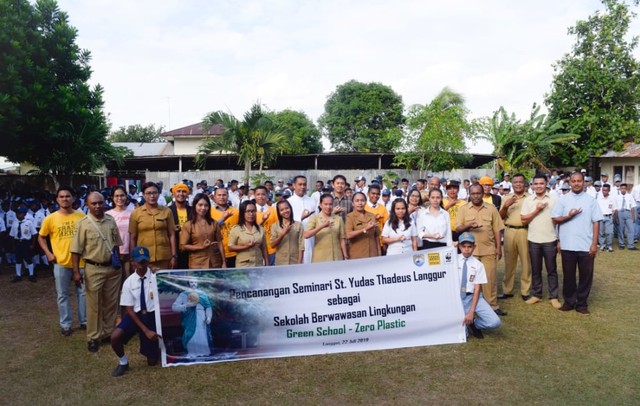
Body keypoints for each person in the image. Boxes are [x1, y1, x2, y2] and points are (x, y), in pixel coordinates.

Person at [71, 192, 123, 352]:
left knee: (111, 303)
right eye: (94, 203)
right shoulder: (83, 224)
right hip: (93, 268)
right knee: (93, 305)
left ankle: (107, 332)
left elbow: (116, 244)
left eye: (100, 203)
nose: (98, 206)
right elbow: (75, 251)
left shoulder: (110, 220)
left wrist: (118, 262)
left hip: (112, 269)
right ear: (87, 204)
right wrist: (76, 272)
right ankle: (93, 337)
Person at [551, 171, 603, 315]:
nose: (576, 183)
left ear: (584, 182)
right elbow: (555, 219)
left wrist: (594, 244)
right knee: (569, 276)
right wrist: (569, 217)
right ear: (569, 183)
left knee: (586, 276)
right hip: (568, 244)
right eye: (573, 181)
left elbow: (596, 222)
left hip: (586, 246)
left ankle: (581, 304)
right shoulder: (563, 200)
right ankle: (569, 302)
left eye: (579, 181)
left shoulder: (591, 200)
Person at [38, 187, 87, 336]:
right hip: (61, 263)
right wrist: (48, 253)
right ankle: (66, 324)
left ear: (73, 199)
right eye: (61, 196)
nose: (65, 199)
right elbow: (41, 237)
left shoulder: (81, 216)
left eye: (68, 196)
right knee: (62, 295)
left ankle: (84, 321)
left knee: (83, 293)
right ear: (57, 199)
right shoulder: (50, 218)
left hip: (81, 263)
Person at [455, 184, 506, 316]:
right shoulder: (463, 209)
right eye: (473, 193)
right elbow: (458, 228)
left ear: (483, 193)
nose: (476, 196)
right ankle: (470, 307)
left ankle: (492, 307)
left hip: (488, 249)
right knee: (469, 281)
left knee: (490, 280)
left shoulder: (491, 209)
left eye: (478, 193)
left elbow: (497, 230)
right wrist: (468, 226)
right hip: (469, 252)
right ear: (469, 194)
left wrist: (498, 248)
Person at [110, 246, 160, 377]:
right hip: (136, 315)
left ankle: (157, 348)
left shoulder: (156, 276)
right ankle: (123, 362)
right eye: (139, 261)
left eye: (144, 261)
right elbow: (129, 310)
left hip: (151, 315)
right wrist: (145, 331)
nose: (142, 265)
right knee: (115, 336)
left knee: (152, 361)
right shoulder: (129, 282)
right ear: (132, 261)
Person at [520, 173, 561, 308]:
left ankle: (553, 296)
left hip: (550, 239)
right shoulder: (528, 200)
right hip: (534, 240)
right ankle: (537, 294)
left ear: (546, 184)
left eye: (541, 183)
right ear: (532, 185)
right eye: (536, 183)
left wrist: (559, 240)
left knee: (552, 270)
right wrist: (536, 210)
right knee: (536, 269)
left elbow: (559, 221)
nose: (538, 186)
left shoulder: (554, 199)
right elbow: (524, 219)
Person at [458, 232, 501, 339]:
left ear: (474, 247)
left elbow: (477, 289)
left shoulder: (478, 265)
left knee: (494, 322)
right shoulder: (453, 260)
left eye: (469, 246)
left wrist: (471, 312)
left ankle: (474, 324)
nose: (466, 249)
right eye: (464, 246)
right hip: (458, 298)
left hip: (473, 297)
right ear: (459, 246)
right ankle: (465, 325)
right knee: (460, 331)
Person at [129, 182, 178, 270]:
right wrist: (133, 258)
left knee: (162, 283)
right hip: (143, 258)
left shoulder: (167, 211)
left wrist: (174, 256)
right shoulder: (136, 213)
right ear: (143, 195)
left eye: (155, 193)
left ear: (159, 194)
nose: (152, 196)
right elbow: (132, 237)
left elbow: (172, 234)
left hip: (164, 257)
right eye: (148, 193)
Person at [498, 173, 531, 301]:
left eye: (520, 182)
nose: (518, 184)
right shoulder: (506, 197)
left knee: (526, 262)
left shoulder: (530, 198)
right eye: (516, 182)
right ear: (512, 184)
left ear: (524, 183)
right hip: (509, 231)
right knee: (509, 262)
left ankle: (525, 291)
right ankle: (507, 290)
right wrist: (506, 205)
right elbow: (500, 216)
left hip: (524, 231)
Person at [180, 193, 226, 269]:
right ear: (195, 206)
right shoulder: (188, 225)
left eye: (206, 205)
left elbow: (220, 243)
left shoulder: (214, 223)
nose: (203, 208)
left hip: (214, 262)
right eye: (200, 205)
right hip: (197, 263)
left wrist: (224, 262)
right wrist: (201, 247)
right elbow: (183, 246)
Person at [171, 277, 214, 356]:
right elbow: (174, 307)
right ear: (188, 283)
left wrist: (209, 317)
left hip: (201, 317)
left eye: (195, 282)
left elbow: (208, 307)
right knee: (191, 334)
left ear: (197, 283)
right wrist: (187, 305)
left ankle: (203, 353)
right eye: (191, 282)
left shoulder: (203, 294)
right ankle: (192, 353)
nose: (193, 284)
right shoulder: (184, 294)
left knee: (201, 334)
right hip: (189, 318)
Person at [305, 194, 348, 262]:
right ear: (320, 205)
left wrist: (345, 256)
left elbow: (342, 239)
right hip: (320, 257)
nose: (328, 207)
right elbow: (306, 235)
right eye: (325, 204)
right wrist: (321, 226)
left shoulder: (338, 219)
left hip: (336, 256)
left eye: (330, 204)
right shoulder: (315, 218)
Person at [227, 201, 269, 267]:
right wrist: (245, 246)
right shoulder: (236, 229)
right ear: (242, 213)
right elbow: (230, 247)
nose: (251, 214)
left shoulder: (260, 229)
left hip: (258, 264)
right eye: (248, 211)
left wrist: (267, 264)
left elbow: (264, 248)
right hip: (243, 265)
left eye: (253, 211)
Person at [287, 175, 317, 263]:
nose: (302, 187)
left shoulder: (311, 201)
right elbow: (287, 222)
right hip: (295, 237)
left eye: (304, 184)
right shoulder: (289, 202)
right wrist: (301, 218)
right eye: (300, 184)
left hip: (311, 238)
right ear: (294, 185)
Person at [106, 185, 133, 278]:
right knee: (115, 282)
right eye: (116, 196)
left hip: (130, 253)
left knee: (128, 279)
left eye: (122, 195)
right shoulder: (108, 215)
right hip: (114, 254)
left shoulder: (133, 213)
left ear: (126, 196)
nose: (119, 198)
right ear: (112, 198)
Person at [210, 187, 239, 268]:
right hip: (216, 252)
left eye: (224, 195)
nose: (222, 197)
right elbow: (209, 230)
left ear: (228, 196)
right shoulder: (209, 212)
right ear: (214, 197)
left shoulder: (236, 212)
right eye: (219, 195)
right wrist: (223, 219)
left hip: (234, 251)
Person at [345, 192, 381, 259]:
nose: (360, 203)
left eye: (362, 200)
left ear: (365, 202)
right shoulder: (350, 217)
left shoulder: (372, 216)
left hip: (372, 254)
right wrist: (365, 229)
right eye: (357, 201)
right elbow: (348, 235)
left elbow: (376, 237)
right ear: (353, 203)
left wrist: (379, 252)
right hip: (357, 254)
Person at [270, 199, 304, 265]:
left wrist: (299, 264)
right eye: (282, 210)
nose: (285, 211)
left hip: (294, 261)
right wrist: (282, 234)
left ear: (290, 208)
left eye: (287, 208)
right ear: (279, 212)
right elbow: (272, 245)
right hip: (280, 262)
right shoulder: (275, 226)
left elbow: (301, 246)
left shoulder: (298, 225)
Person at [168, 183, 192, 269]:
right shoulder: (168, 210)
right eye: (178, 191)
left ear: (188, 194)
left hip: (190, 249)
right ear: (173, 194)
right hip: (173, 250)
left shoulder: (192, 210)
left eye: (184, 191)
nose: (181, 194)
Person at [9, 206, 37, 282]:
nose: (18, 215)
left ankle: (31, 275)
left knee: (28, 258)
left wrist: (32, 244)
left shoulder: (28, 222)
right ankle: (18, 275)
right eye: (17, 213)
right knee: (18, 259)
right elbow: (12, 235)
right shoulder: (15, 223)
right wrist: (13, 246)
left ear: (24, 214)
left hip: (26, 242)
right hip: (17, 242)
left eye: (20, 213)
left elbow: (34, 234)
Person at [254, 186, 277, 265]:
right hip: (255, 249)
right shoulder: (250, 211)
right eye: (258, 194)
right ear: (254, 196)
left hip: (271, 248)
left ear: (267, 196)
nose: (261, 196)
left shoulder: (273, 211)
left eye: (263, 194)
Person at [614, 183, 637, 250]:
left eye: (624, 188)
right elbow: (615, 208)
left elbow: (632, 207)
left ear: (626, 189)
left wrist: (633, 216)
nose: (623, 190)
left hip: (628, 213)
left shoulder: (630, 196)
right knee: (620, 229)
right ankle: (621, 244)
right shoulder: (616, 197)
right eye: (622, 188)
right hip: (620, 213)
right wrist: (616, 217)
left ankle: (630, 245)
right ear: (620, 189)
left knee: (631, 229)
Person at [443, 179, 466, 244]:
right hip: (446, 232)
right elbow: (438, 215)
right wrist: (448, 206)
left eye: (454, 188)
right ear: (446, 190)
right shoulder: (442, 201)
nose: (452, 191)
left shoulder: (464, 203)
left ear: (458, 190)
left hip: (460, 232)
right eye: (449, 188)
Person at [596, 184, 615, 252]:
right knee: (601, 233)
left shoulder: (612, 198)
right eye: (603, 190)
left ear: (609, 190)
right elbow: (596, 208)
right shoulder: (599, 198)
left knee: (609, 232)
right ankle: (602, 246)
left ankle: (609, 246)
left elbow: (614, 209)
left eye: (606, 190)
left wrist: (611, 216)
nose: (604, 192)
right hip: (601, 217)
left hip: (608, 217)